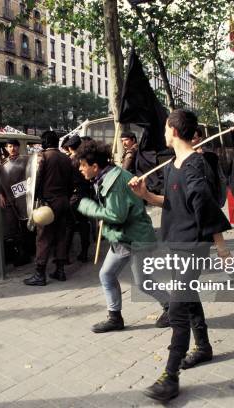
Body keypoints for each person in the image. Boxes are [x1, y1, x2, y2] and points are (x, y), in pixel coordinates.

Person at [129, 110, 231, 402]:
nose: (163, 132)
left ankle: (170, 376)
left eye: (164, 128)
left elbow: (206, 204)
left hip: (193, 246)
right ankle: (203, 347)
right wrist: (146, 195)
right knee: (188, 299)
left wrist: (220, 245)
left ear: (174, 130)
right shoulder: (174, 165)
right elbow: (172, 201)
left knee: (176, 309)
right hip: (176, 242)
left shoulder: (194, 165)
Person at [76, 141, 170, 332]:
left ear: (95, 166)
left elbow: (117, 216)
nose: (80, 169)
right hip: (122, 239)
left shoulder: (115, 182)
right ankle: (115, 318)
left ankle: (172, 308)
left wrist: (88, 207)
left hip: (135, 239)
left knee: (143, 283)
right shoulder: (107, 176)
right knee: (107, 274)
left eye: (82, 165)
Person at [23, 130, 74, 285]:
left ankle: (40, 274)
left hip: (48, 203)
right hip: (64, 202)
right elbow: (71, 183)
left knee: (43, 238)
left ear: (45, 142)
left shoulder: (43, 157)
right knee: (60, 236)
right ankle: (60, 271)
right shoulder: (66, 158)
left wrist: (36, 200)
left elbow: (36, 181)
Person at [0, 139, 31, 266]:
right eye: (10, 146)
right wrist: (1, 194)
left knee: (25, 226)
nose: (12, 149)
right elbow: (0, 181)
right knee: (13, 228)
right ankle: (20, 253)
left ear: (18, 147)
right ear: (7, 148)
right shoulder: (3, 164)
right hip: (10, 200)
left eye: (15, 146)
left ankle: (26, 254)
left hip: (23, 198)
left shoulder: (25, 160)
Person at [63, 135, 92, 263]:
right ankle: (84, 252)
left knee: (69, 225)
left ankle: (65, 256)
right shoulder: (85, 160)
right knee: (84, 223)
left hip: (73, 195)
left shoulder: (68, 161)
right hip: (85, 194)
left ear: (69, 147)